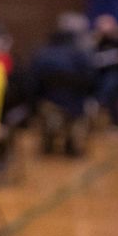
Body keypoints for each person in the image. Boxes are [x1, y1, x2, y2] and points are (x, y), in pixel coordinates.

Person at [31, 14, 97, 157]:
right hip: (75, 105)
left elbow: (32, 82)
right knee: (84, 109)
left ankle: (48, 140)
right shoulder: (81, 55)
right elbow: (90, 80)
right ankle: (72, 142)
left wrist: (34, 103)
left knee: (47, 108)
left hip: (47, 105)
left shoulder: (42, 53)